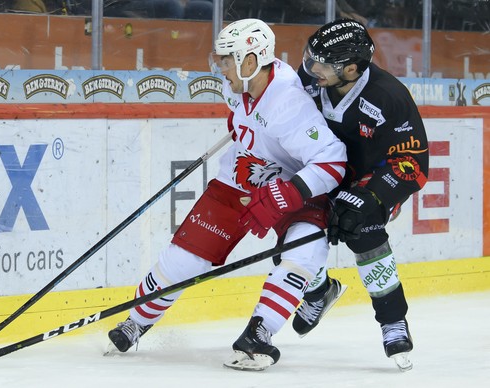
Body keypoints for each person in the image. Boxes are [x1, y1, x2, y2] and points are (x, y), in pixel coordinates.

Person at [107, 18, 347, 371]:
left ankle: (260, 333)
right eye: (219, 59)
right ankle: (137, 320)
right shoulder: (233, 85)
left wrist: (288, 194)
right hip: (240, 176)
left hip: (295, 186)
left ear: (251, 61)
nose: (220, 67)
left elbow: (332, 161)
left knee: (303, 248)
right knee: (184, 258)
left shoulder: (289, 103)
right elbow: (244, 123)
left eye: (227, 59)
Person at [293, 18, 429, 372]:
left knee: (363, 232)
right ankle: (318, 290)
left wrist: (370, 199)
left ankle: (392, 321)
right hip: (324, 168)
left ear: (351, 69)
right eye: (312, 58)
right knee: (289, 219)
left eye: (323, 63)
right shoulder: (311, 79)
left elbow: (412, 163)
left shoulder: (389, 96)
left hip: (371, 177)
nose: (312, 68)